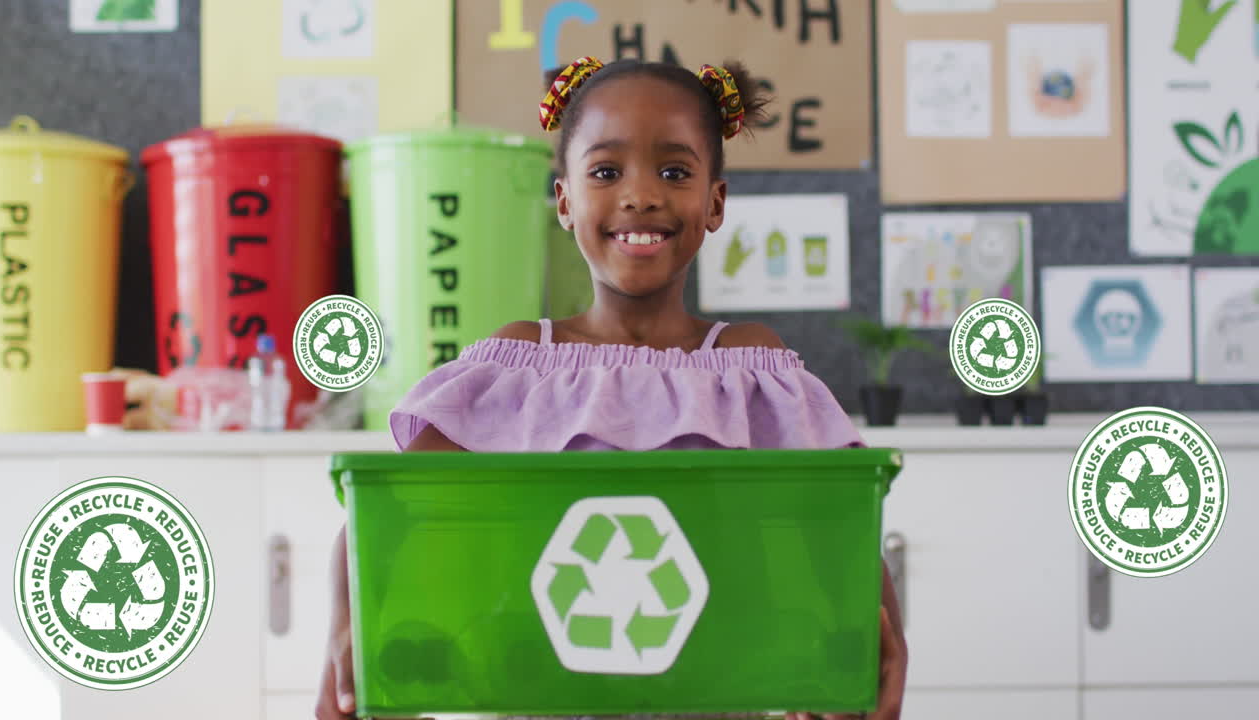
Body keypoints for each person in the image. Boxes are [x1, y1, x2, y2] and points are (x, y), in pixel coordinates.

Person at [316, 56, 907, 720]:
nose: (641, 194)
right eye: (605, 171)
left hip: (718, 702)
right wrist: (348, 631)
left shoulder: (751, 372)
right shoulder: (516, 371)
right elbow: (385, 517)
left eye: (675, 171)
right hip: (538, 697)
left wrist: (863, 650)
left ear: (715, 202)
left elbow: (844, 528)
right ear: (564, 201)